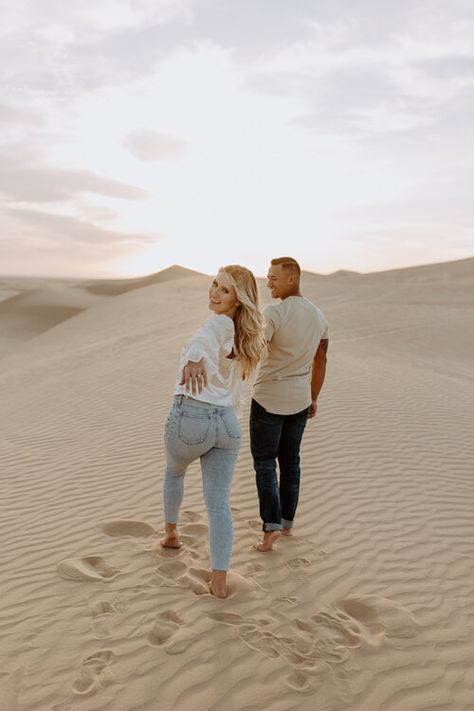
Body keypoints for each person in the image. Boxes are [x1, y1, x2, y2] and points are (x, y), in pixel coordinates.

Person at [161, 265, 266, 598]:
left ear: (239, 300)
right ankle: (219, 580)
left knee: (174, 473)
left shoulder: (219, 323)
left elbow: (202, 340)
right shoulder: (242, 334)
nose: (214, 293)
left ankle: (171, 535)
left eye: (225, 290)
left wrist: (193, 358)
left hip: (192, 418)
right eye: (214, 284)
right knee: (218, 504)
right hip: (227, 425)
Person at [250, 257, 329, 551]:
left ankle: (270, 529)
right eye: (268, 277)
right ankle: (286, 525)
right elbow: (321, 360)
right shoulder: (319, 317)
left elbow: (257, 347)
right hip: (299, 400)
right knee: (291, 462)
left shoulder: (273, 312)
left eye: (273, 278)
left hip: (268, 398)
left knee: (264, 462)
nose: (268, 283)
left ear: (291, 279)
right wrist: (314, 396)